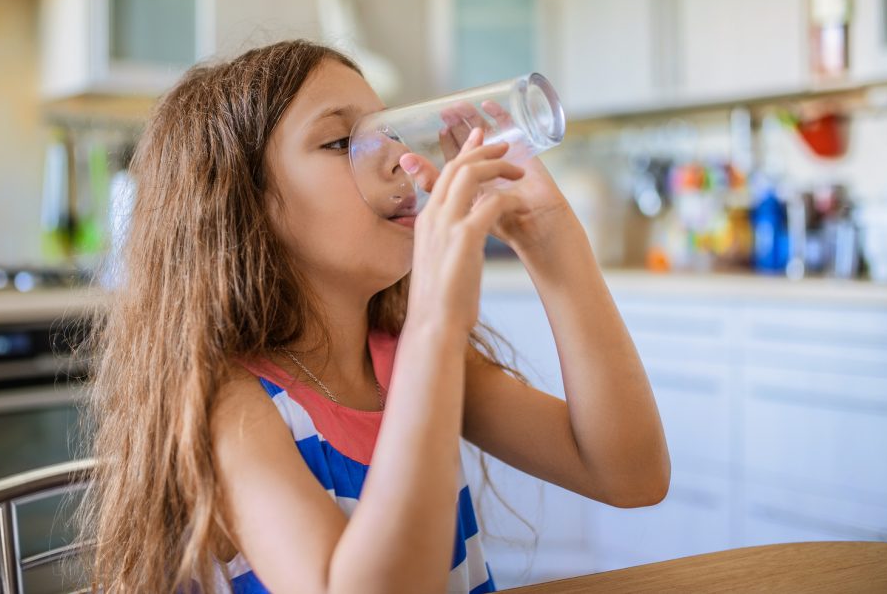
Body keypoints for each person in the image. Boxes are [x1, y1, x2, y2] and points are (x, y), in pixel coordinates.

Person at [75, 39, 670, 593]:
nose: (399, 158)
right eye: (341, 143)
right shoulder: (230, 405)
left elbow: (631, 473)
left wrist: (552, 240)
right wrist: (436, 327)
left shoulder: (403, 358)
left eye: (388, 132)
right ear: (240, 203)